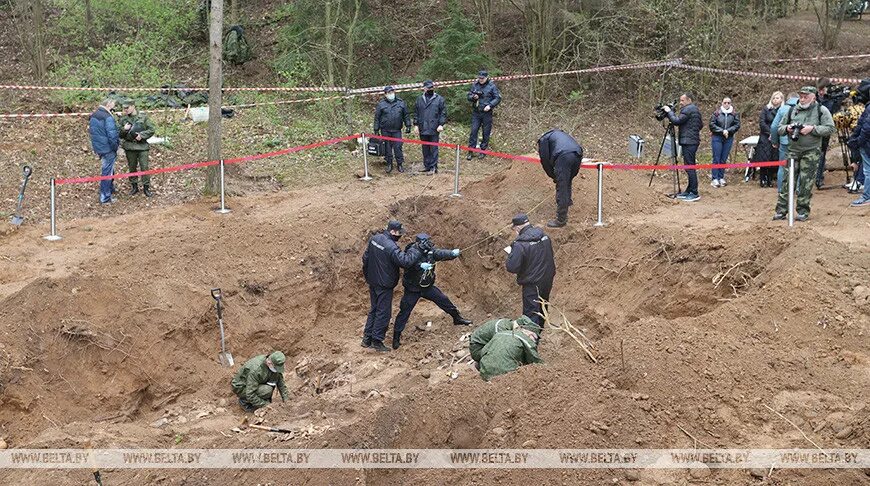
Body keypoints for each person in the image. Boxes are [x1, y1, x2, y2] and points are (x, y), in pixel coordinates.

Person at [391, 234, 471, 349]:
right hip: (412, 288)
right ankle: (396, 336)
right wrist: (419, 266)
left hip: (427, 287)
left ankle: (457, 318)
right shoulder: (412, 252)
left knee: (444, 300)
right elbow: (407, 264)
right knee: (405, 311)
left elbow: (439, 254)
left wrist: (452, 253)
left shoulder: (429, 251)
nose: (429, 244)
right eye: (426, 242)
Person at [772, 86, 835, 221]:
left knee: (806, 182)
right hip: (793, 151)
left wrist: (812, 129)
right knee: (787, 181)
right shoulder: (791, 110)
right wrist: (788, 128)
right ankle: (781, 210)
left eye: (806, 96)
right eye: (801, 96)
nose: (802, 99)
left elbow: (830, 128)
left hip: (811, 151)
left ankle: (802, 211)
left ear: (813, 97)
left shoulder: (821, 110)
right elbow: (779, 128)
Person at [361, 220, 421, 352]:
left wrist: (368, 274)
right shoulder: (391, 247)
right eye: (399, 233)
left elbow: (365, 258)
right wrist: (417, 250)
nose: (400, 235)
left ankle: (367, 338)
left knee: (374, 309)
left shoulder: (374, 239)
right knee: (383, 312)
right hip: (384, 284)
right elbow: (406, 261)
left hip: (373, 281)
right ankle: (377, 341)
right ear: (393, 231)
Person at [505, 214, 555, 329]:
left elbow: (512, 267)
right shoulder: (544, 236)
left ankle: (531, 340)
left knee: (531, 313)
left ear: (517, 228)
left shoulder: (520, 244)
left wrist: (511, 255)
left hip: (532, 283)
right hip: (547, 279)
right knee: (542, 307)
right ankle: (539, 332)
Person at [469, 315, 543, 381]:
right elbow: (534, 360)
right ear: (521, 328)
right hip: (477, 349)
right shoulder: (501, 329)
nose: (534, 341)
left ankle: (484, 366)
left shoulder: (505, 330)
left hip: (485, 370)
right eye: (534, 337)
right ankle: (482, 365)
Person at [537, 129, 583, 227]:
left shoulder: (543, 140)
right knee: (567, 180)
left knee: (561, 185)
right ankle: (567, 201)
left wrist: (553, 176)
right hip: (578, 153)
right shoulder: (560, 134)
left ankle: (561, 219)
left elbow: (545, 161)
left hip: (563, 156)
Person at [663, 92, 703, 202]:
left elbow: (677, 121)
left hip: (689, 142)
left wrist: (669, 112)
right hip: (692, 140)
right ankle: (689, 190)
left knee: (690, 167)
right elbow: (700, 125)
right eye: (680, 100)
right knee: (689, 166)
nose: (680, 103)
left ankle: (694, 193)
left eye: (682, 100)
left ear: (689, 100)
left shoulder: (688, 109)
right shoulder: (695, 110)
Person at [118, 103, 156, 197]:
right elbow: (119, 134)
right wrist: (124, 129)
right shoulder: (123, 119)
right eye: (124, 108)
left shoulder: (143, 117)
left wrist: (142, 135)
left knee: (144, 167)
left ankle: (146, 187)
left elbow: (151, 129)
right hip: (130, 146)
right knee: (132, 167)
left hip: (142, 146)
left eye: (127, 107)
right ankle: (134, 187)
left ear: (133, 106)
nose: (125, 110)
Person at [373, 86, 412, 173]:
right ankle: (389, 164)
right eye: (389, 93)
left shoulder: (401, 103)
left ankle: (400, 164)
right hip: (385, 130)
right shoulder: (381, 104)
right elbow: (377, 118)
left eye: (392, 92)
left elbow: (406, 115)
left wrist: (408, 125)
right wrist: (376, 129)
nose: (391, 94)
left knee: (398, 147)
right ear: (385, 94)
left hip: (397, 130)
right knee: (387, 148)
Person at [88, 98, 120, 205]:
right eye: (113, 103)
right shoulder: (107, 117)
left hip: (100, 147)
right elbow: (112, 135)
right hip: (108, 148)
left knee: (108, 170)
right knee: (107, 172)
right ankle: (105, 197)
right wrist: (115, 147)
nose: (114, 106)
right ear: (109, 103)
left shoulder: (94, 115)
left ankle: (110, 190)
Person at [814, 78, 844, 189]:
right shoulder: (814, 98)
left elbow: (833, 112)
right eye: (819, 90)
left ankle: (819, 177)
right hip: (814, 128)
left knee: (822, 153)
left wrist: (839, 99)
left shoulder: (831, 98)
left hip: (825, 129)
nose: (821, 92)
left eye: (823, 89)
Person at [466, 70, 502, 160]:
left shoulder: (492, 86)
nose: (481, 80)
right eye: (479, 78)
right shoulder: (475, 85)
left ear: (486, 77)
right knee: (473, 131)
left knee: (486, 132)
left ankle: (483, 150)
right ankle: (470, 151)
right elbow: (469, 96)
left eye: (482, 78)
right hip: (476, 112)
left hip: (487, 113)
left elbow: (497, 98)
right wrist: (473, 97)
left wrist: (490, 105)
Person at [414, 80, 447, 174]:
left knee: (434, 148)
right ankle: (427, 166)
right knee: (425, 148)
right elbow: (416, 113)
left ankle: (433, 167)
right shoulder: (419, 99)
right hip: (423, 127)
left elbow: (443, 113)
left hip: (434, 127)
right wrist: (416, 125)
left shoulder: (439, 99)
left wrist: (441, 124)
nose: (430, 89)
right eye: (428, 88)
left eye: (431, 87)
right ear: (424, 88)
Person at [752, 91, 784, 187]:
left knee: (773, 158)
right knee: (763, 159)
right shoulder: (766, 109)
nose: (775, 100)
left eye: (777, 98)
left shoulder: (783, 110)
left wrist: (775, 134)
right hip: (765, 137)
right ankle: (762, 179)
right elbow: (762, 122)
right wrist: (770, 133)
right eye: (774, 98)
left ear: (781, 99)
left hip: (776, 137)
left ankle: (770, 179)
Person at [709, 97, 741, 187]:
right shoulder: (716, 113)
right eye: (725, 102)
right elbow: (712, 124)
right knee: (716, 158)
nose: (726, 104)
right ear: (722, 103)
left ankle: (721, 177)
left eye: (728, 103)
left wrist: (728, 130)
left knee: (723, 158)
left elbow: (737, 125)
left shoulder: (734, 114)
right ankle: (714, 178)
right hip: (717, 137)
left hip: (728, 138)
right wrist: (722, 131)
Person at [770, 91, 799, 190]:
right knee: (799, 167)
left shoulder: (782, 109)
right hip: (799, 142)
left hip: (784, 142)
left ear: (787, 99)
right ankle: (799, 190)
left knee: (782, 167)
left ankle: (781, 190)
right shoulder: (803, 109)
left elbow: (774, 127)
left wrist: (774, 141)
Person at [846, 98, 870, 206]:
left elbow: (865, 127)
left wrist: (857, 141)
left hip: (866, 144)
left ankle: (867, 197)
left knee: (868, 171)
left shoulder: (868, 108)